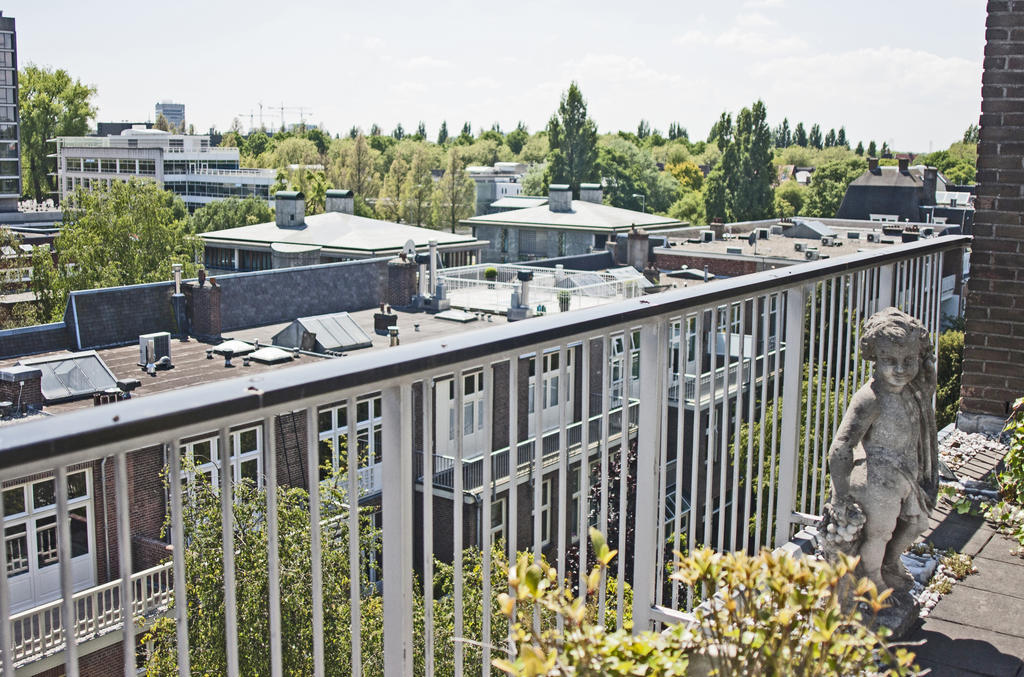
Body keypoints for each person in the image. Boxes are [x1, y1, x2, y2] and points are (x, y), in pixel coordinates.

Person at [827, 307, 938, 594]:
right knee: (879, 533)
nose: (900, 369)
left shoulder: (912, 391)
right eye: (890, 360)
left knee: (917, 523)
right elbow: (841, 445)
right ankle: (872, 578)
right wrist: (840, 495)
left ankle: (889, 562)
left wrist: (927, 367)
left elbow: (928, 387)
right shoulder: (870, 398)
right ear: (875, 359)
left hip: (905, 477)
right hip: (877, 478)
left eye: (908, 360)